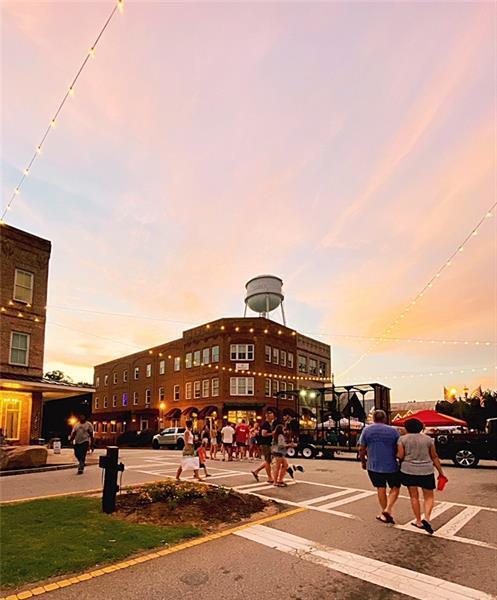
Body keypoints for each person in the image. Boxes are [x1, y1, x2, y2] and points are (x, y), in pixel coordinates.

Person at [397, 418, 446, 534]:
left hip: (408, 470)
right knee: (429, 496)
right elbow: (434, 456)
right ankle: (427, 518)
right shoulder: (428, 439)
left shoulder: (402, 439)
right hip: (426, 471)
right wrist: (440, 472)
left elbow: (400, 456)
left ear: (407, 428)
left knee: (414, 496)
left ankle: (418, 521)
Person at [358, 409, 401, 524]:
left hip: (373, 465)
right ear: (385, 418)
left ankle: (385, 511)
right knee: (395, 487)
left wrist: (363, 461)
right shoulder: (394, 431)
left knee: (380, 488)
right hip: (391, 465)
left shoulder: (367, 430)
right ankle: (388, 509)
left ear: (374, 419)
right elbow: (399, 448)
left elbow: (361, 448)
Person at [251, 409, 277, 483]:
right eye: (271, 415)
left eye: (272, 415)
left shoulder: (269, 424)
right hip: (265, 444)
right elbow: (263, 434)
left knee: (269, 460)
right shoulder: (265, 424)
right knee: (268, 461)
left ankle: (256, 471)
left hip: (268, 443)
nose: (272, 416)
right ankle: (270, 478)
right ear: (267, 416)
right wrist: (273, 433)